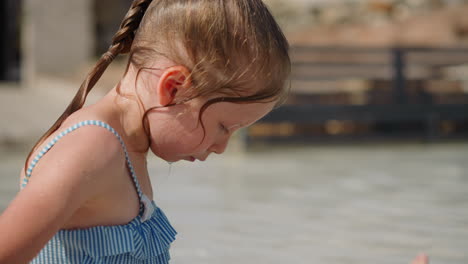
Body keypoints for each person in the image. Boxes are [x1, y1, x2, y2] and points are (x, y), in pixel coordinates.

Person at [0, 0, 290, 263]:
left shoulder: (127, 150)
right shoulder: (92, 148)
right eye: (224, 127)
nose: (221, 147)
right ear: (173, 88)